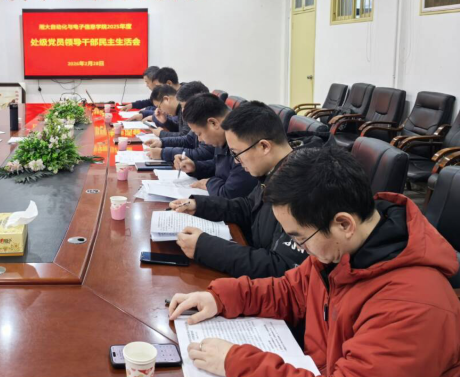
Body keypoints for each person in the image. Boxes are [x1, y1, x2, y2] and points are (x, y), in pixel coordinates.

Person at [168, 147, 460, 377]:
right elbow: (291, 290)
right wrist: (220, 298)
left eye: (300, 237)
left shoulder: (413, 307)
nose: (299, 248)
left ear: (343, 224)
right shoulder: (340, 252)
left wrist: (237, 363)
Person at [169, 101, 329, 278]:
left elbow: (282, 267)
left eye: (236, 153)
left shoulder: (305, 186)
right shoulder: (276, 169)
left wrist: (205, 247)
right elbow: (248, 206)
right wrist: (199, 205)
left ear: (264, 146)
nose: (236, 161)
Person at [170, 93, 257, 198]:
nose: (200, 140)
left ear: (213, 123)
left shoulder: (243, 141)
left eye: (199, 134)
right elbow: (220, 166)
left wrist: (209, 183)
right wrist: (195, 167)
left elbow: (230, 194)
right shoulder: (222, 138)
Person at [144, 83, 214, 164]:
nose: (183, 111)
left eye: (184, 106)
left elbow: (203, 153)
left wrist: (163, 152)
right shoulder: (197, 117)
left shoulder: (207, 121)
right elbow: (188, 139)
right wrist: (162, 142)